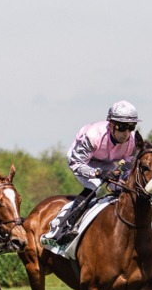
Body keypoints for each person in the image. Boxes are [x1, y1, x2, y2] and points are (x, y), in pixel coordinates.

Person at [52, 100, 140, 244]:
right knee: (94, 186)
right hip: (81, 161)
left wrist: (122, 178)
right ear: (111, 124)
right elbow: (76, 164)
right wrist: (98, 173)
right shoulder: (92, 135)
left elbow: (127, 167)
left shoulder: (132, 141)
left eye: (131, 127)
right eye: (122, 127)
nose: (126, 133)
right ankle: (66, 227)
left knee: (123, 187)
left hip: (106, 163)